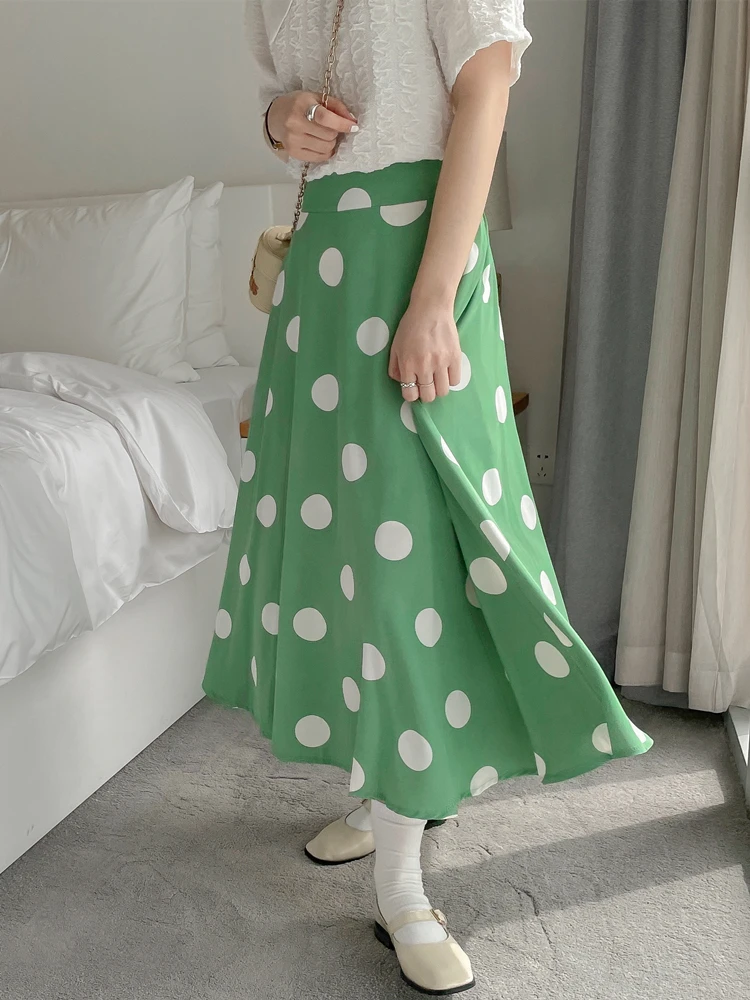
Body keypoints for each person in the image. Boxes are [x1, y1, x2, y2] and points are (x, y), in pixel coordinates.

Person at [203, 1, 653, 993]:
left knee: (410, 563)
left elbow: (484, 90)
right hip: (322, 272)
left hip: (420, 262)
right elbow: (279, 98)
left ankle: (404, 885)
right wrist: (281, 123)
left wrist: (434, 298)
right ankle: (386, 788)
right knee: (345, 556)